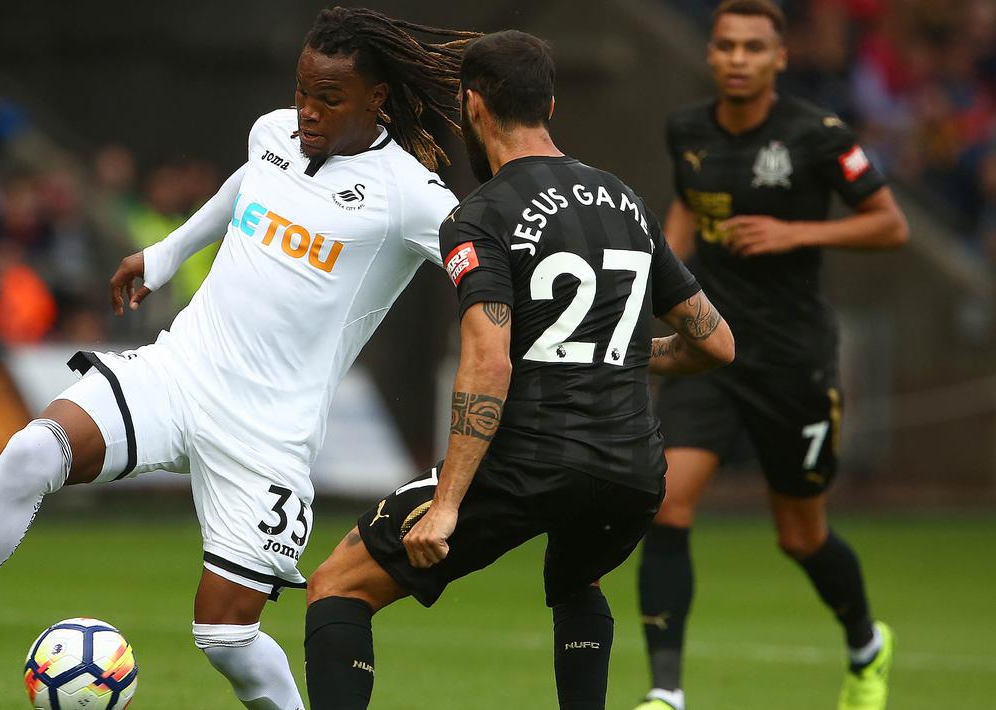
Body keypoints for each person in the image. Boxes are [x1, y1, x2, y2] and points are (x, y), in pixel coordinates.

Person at [0, 8, 478, 710]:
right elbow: (248, 184)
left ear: (375, 99)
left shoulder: (409, 194)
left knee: (224, 637)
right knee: (30, 455)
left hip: (267, 434)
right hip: (180, 371)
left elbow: (483, 272)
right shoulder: (273, 131)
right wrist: (164, 254)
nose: (307, 111)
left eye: (329, 99)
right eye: (302, 91)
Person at [301, 30, 735, 710]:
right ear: (550, 106)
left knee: (337, 584)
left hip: (533, 459)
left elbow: (487, 358)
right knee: (576, 582)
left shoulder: (480, 215)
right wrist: (621, 354)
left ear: (473, 107)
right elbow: (715, 345)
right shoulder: (626, 203)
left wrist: (446, 504)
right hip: (631, 471)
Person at [631, 3, 909, 710]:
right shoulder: (684, 128)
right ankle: (665, 693)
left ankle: (864, 644)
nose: (736, 58)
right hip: (710, 355)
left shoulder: (817, 136)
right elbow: (688, 205)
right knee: (665, 506)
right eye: (724, 45)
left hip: (793, 362)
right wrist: (662, 277)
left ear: (779, 57)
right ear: (711, 53)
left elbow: (889, 224)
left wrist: (794, 234)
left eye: (753, 47)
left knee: (799, 536)